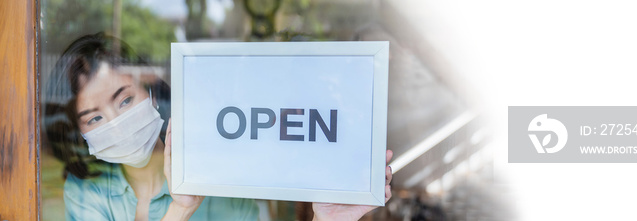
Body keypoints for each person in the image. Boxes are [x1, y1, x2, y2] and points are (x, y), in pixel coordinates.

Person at [52, 33, 393, 221]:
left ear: (152, 93)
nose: (116, 122)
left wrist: (330, 220)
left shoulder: (224, 185)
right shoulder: (86, 191)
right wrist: (181, 209)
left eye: (125, 100)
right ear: (80, 133)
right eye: (95, 118)